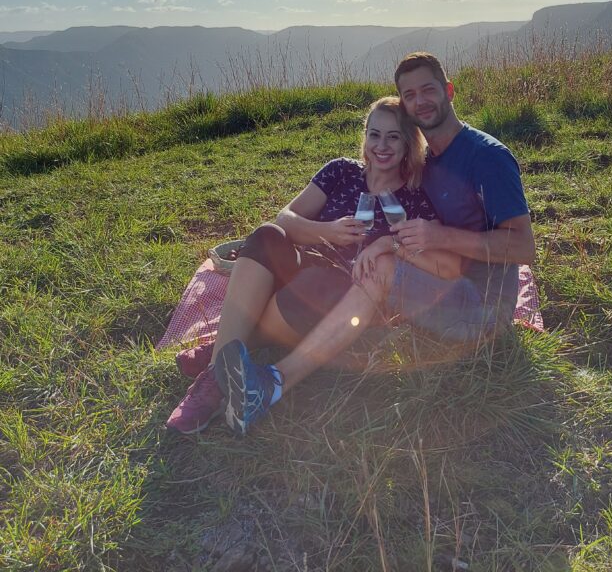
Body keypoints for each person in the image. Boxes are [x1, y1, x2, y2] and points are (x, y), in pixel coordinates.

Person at [210, 52, 536, 436]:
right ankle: (223, 369)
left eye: (429, 90)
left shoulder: (487, 157)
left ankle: (272, 382)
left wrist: (415, 241)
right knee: (288, 246)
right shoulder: (429, 163)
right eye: (409, 94)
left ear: (449, 91)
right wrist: (378, 241)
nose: (420, 101)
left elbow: (524, 249)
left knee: (368, 273)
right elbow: (296, 219)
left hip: (481, 304)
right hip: (430, 275)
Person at [166, 95, 461, 433]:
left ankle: (224, 355)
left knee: (319, 285)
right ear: (365, 136)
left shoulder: (416, 196)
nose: (381, 145)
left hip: (342, 296)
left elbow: (435, 259)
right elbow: (286, 218)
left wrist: (387, 244)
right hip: (304, 267)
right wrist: (328, 231)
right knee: (265, 235)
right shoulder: (341, 171)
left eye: (393, 136)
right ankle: (220, 372)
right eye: (374, 134)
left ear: (408, 142)